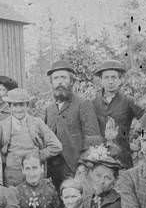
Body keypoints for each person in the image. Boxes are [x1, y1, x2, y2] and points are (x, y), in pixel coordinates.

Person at [43, 60, 103, 189]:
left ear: (71, 81)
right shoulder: (49, 110)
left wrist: (83, 166)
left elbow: (93, 139)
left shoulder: (83, 104)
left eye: (63, 77)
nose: (59, 81)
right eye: (56, 78)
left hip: (74, 168)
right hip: (53, 170)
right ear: (52, 83)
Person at [0, 88, 62, 187]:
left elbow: (57, 146)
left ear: (27, 106)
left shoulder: (37, 123)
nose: (18, 109)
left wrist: (37, 156)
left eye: (22, 105)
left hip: (34, 173)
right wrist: (9, 160)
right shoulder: (2, 126)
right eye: (15, 105)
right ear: (9, 107)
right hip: (12, 175)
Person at [92, 60, 145, 169]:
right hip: (100, 159)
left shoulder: (128, 101)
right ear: (101, 81)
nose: (110, 81)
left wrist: (140, 141)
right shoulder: (94, 103)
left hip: (123, 159)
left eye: (114, 77)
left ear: (120, 80)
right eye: (106, 78)